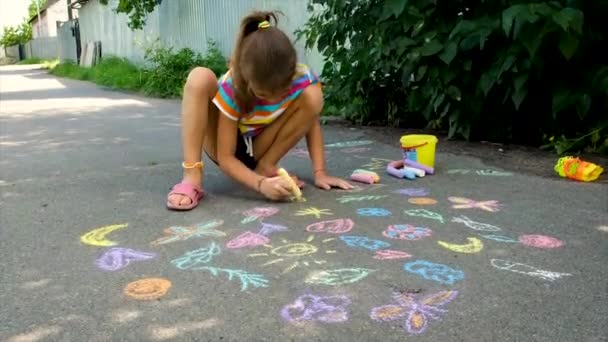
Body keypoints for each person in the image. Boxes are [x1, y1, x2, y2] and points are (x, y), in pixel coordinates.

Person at [167, 11, 353, 211]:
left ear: (291, 74)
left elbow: (310, 120)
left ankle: (266, 167)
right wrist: (261, 185)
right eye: (263, 94)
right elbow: (226, 158)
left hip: (259, 147)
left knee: (313, 96)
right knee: (199, 77)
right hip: (223, 145)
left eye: (281, 93)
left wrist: (320, 172)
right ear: (247, 78)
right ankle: (191, 177)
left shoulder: (302, 77)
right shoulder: (234, 85)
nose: (272, 99)